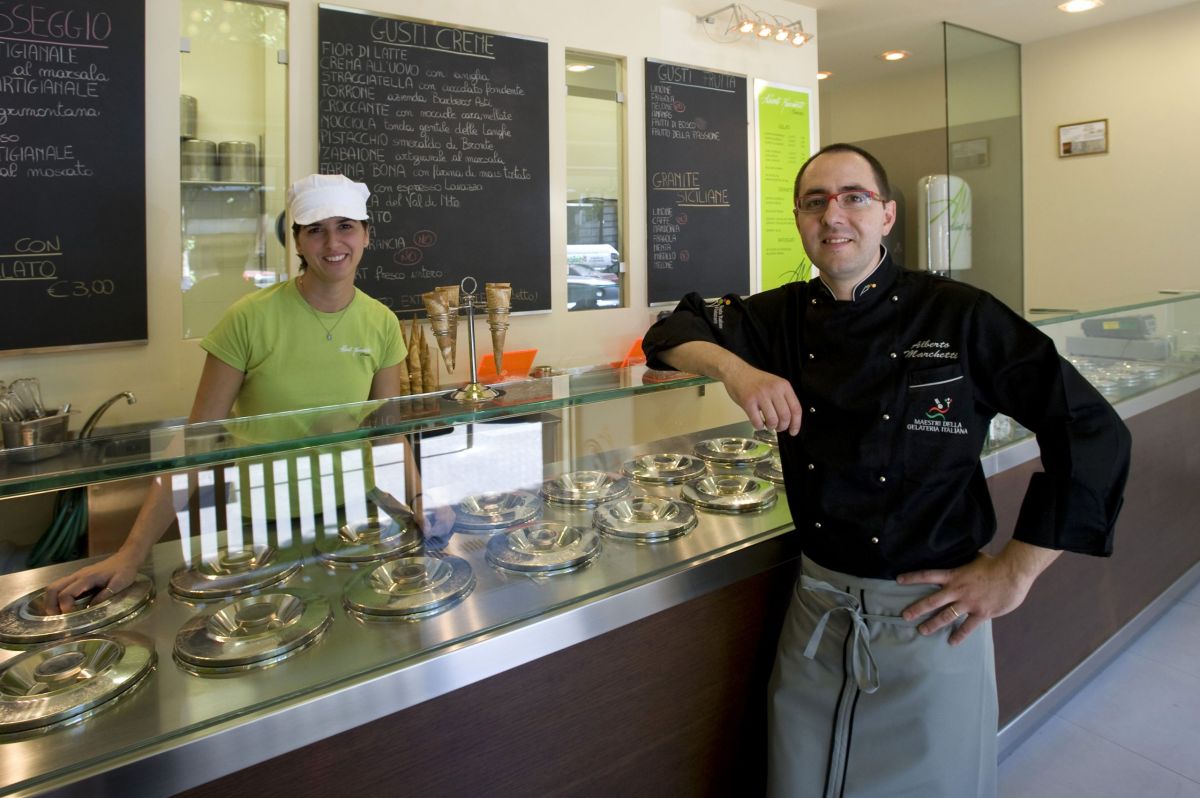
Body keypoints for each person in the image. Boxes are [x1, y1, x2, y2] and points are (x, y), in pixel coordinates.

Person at [642, 143, 1131, 797]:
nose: (833, 215)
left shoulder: (960, 314)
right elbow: (671, 331)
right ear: (799, 219)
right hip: (817, 612)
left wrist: (1015, 571)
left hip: (932, 623)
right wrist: (737, 370)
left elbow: (1092, 430)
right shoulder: (778, 317)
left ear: (887, 216)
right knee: (802, 781)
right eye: (815, 202)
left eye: (854, 197)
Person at [46, 174, 411, 611]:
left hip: (356, 515)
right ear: (297, 242)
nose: (333, 242)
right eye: (315, 229)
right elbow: (196, 440)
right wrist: (131, 553)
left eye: (345, 226)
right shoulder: (249, 319)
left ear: (367, 234)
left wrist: (421, 504)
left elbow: (389, 433)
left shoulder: (382, 322)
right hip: (266, 524)